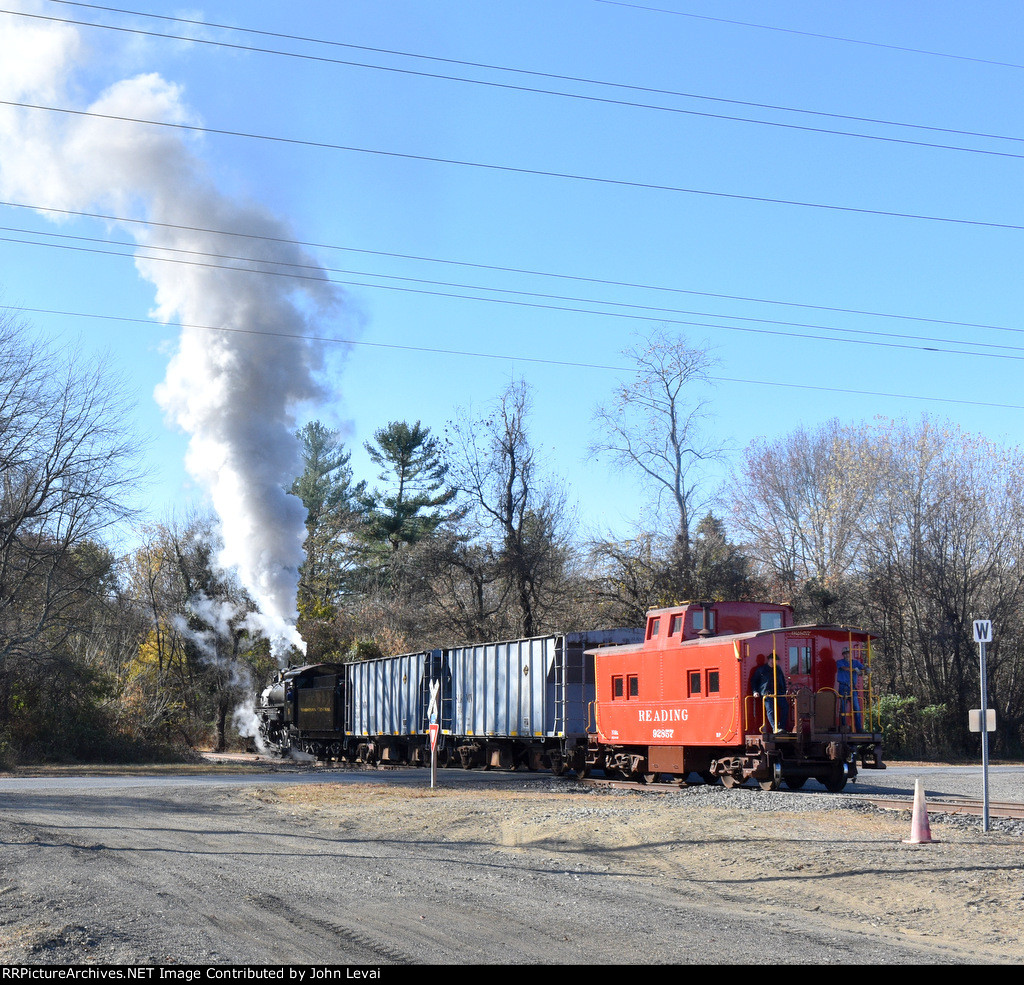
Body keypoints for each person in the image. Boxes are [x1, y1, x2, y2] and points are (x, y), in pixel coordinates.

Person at [751, 658, 789, 732]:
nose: (775, 662)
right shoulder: (761, 669)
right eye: (773, 660)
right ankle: (775, 728)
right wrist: (755, 691)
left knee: (785, 707)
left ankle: (782, 727)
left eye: (776, 661)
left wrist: (784, 691)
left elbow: (782, 681)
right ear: (769, 660)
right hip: (767, 693)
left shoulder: (778, 669)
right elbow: (754, 681)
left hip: (778, 693)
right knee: (770, 710)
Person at [836, 647, 866, 732]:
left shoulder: (855, 662)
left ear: (850, 654)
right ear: (843, 655)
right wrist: (854, 669)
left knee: (856, 708)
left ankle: (859, 728)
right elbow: (844, 668)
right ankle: (843, 727)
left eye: (848, 653)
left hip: (852, 688)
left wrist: (866, 669)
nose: (847, 655)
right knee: (843, 708)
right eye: (845, 653)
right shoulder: (840, 662)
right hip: (843, 687)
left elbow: (862, 667)